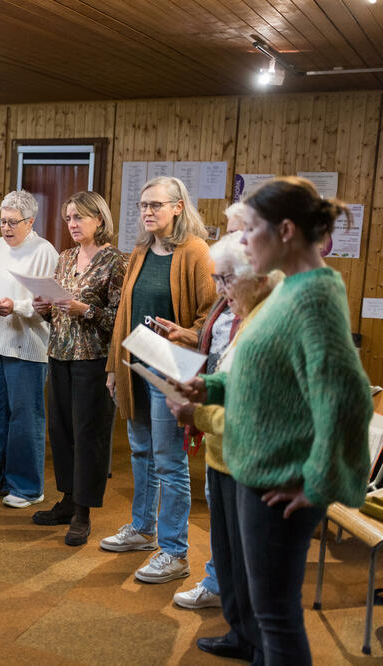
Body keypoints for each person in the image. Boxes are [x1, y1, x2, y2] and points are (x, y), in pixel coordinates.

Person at [176, 177, 372, 664]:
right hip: (258, 471)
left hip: (281, 483)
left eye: (250, 232)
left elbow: (347, 400)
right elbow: (264, 371)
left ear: (285, 231)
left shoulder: (313, 298)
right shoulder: (292, 291)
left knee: (277, 621)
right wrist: (212, 387)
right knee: (267, 616)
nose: (241, 243)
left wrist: (318, 483)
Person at [167, 230, 279, 662]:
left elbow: (253, 408)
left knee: (254, 569)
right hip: (223, 455)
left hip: (249, 459)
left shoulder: (267, 324)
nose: (220, 290)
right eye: (219, 279)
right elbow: (229, 380)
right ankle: (240, 633)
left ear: (259, 277)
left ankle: (260, 646)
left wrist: (196, 412)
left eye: (228, 279)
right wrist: (203, 388)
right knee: (229, 557)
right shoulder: (248, 313)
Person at [101, 176, 216, 584]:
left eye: (156, 205)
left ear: (178, 207)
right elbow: (123, 315)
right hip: (137, 363)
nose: (147, 212)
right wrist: (114, 366)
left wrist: (183, 333)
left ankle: (174, 551)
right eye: (143, 205)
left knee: (169, 462)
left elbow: (211, 316)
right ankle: (143, 530)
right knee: (140, 452)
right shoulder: (140, 251)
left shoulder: (196, 252)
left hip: (172, 369)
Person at [31, 191, 126, 545]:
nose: (71, 224)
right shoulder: (65, 256)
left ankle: (84, 512)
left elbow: (119, 320)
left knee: (89, 436)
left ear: (99, 220)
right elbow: (57, 311)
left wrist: (84, 310)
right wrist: (44, 307)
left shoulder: (117, 261)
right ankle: (68, 500)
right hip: (59, 354)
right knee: (62, 431)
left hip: (94, 360)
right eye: (68, 218)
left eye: (79, 218)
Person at [172, 201, 248, 610]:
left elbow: (252, 401)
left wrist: (198, 408)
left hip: (244, 444)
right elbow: (217, 347)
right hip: (220, 431)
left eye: (240, 231)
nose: (231, 238)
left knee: (243, 534)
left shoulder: (264, 309)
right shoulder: (232, 296)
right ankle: (224, 592)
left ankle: (233, 601)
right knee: (222, 523)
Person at [0, 190, 59, 509]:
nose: (6, 228)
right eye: (2, 221)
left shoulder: (45, 252)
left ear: (31, 221)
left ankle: (28, 487)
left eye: (12, 223)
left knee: (25, 418)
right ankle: (3, 476)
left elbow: (49, 303)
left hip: (28, 347)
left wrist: (18, 307)